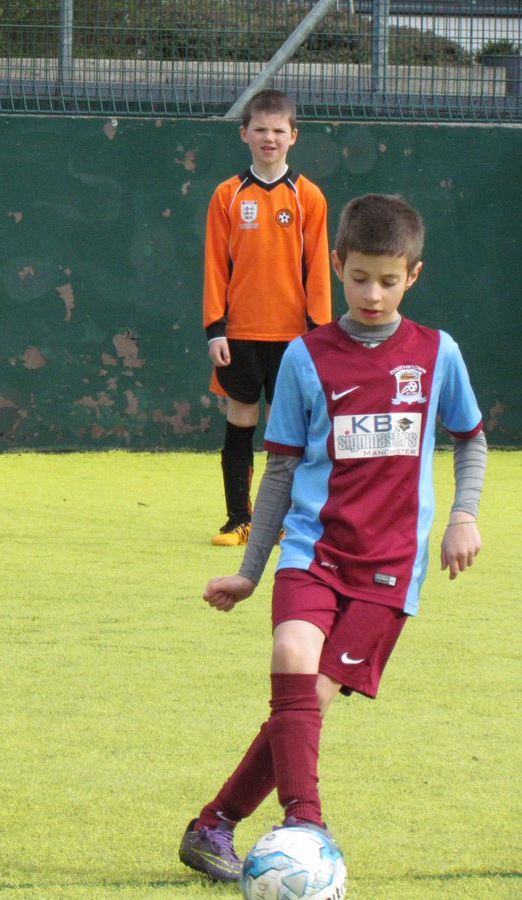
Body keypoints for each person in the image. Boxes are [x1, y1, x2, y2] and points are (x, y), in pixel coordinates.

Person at [179, 193, 486, 881]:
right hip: (311, 551)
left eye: (388, 278)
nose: (371, 294)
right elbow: (281, 471)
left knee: (308, 703)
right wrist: (251, 573)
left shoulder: (438, 355)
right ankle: (306, 823)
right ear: (336, 266)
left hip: (391, 567)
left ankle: (212, 826)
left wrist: (464, 515)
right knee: (292, 650)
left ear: (413, 274)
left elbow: (471, 440)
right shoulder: (304, 357)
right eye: (358, 277)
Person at [203, 89, 332, 546]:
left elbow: (319, 269)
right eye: (260, 128)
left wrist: (318, 334)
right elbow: (216, 265)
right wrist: (215, 328)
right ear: (244, 134)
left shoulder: (308, 197)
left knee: (286, 429)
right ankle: (238, 518)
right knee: (240, 419)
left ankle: (284, 520)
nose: (269, 137)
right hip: (239, 334)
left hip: (295, 338)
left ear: (293, 136)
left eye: (279, 130)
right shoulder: (227, 195)